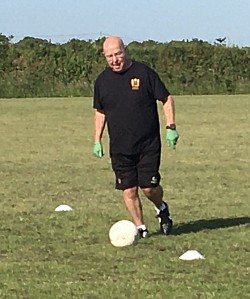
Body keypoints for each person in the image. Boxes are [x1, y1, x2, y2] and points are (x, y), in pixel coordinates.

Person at [92, 36, 179, 238]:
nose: (114, 60)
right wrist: (97, 139)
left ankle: (162, 208)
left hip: (147, 143)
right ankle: (140, 228)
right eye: (109, 57)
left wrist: (170, 126)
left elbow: (166, 99)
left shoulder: (144, 73)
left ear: (125, 50)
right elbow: (100, 111)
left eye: (117, 54)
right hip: (120, 147)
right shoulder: (102, 81)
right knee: (129, 190)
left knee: (149, 188)